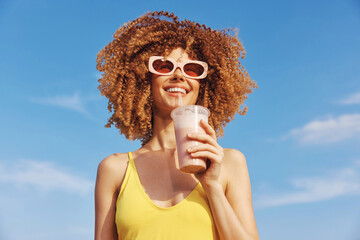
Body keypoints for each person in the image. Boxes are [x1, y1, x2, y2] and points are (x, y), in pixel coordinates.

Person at [94, 11, 259, 240]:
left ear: (202, 84)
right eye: (164, 66)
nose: (179, 75)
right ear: (144, 79)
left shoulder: (229, 163)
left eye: (192, 69)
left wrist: (212, 186)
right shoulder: (114, 169)